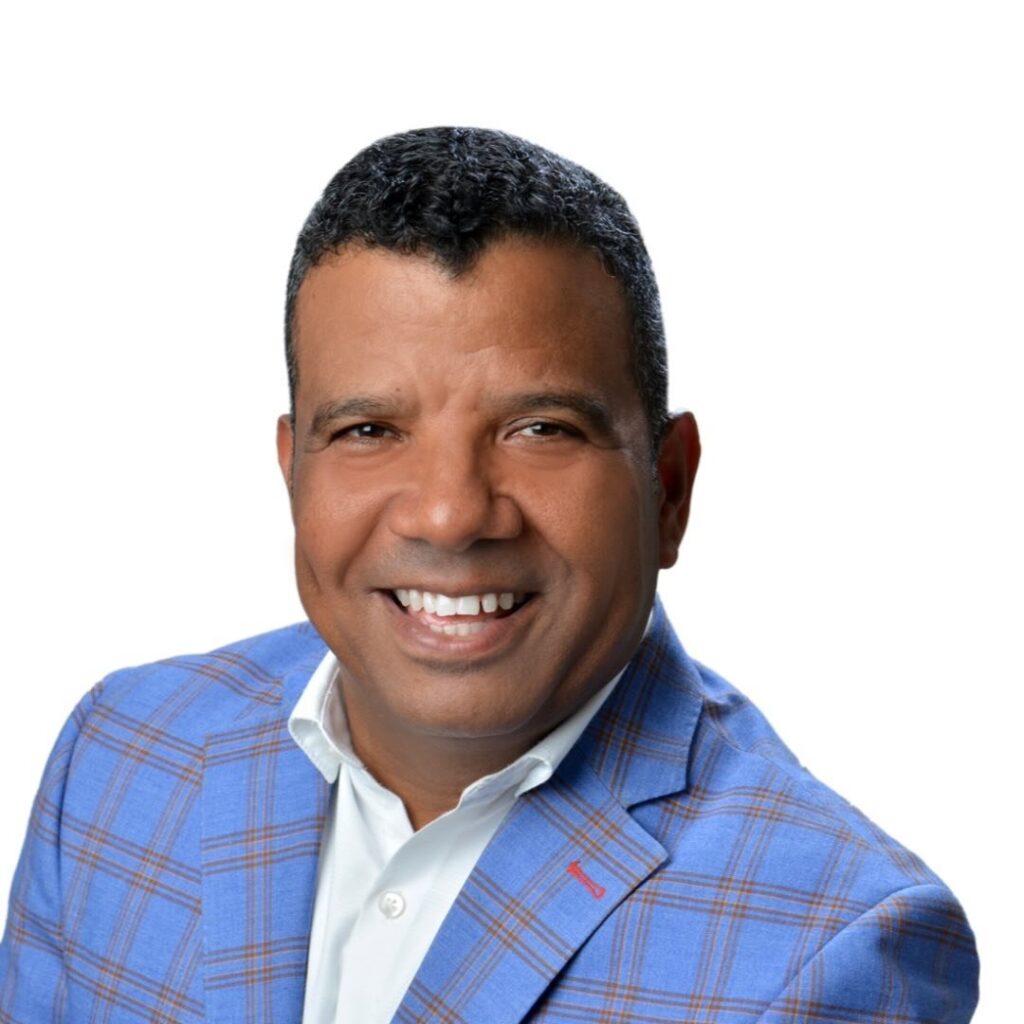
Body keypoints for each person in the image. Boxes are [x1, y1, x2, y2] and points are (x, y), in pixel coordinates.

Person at [0, 127, 978, 1023]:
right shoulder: (118, 754)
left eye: (540, 428)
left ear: (669, 489)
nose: (451, 513)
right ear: (293, 473)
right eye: (369, 430)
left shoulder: (831, 946)